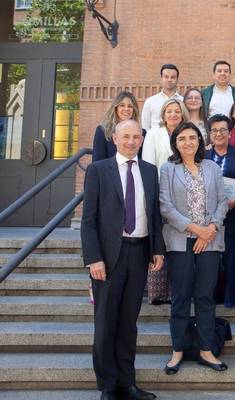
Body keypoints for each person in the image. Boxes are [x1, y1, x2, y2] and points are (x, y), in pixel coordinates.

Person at [82, 119, 165, 400]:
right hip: (107, 257)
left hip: (139, 253)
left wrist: (158, 249)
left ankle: (127, 383)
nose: (131, 141)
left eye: (135, 137)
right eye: (125, 136)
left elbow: (153, 215)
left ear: (141, 140)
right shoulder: (97, 170)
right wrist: (93, 259)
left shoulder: (150, 172)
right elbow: (89, 221)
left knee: (129, 322)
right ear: (115, 139)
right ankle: (107, 386)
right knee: (105, 323)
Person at [159, 122, 229, 375]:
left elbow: (222, 201)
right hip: (180, 241)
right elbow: (165, 206)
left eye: (192, 137)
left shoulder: (211, 168)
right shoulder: (167, 169)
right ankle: (177, 349)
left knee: (205, 296)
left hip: (210, 240)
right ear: (175, 143)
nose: (188, 142)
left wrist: (209, 229)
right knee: (180, 297)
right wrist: (195, 229)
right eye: (182, 139)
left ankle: (206, 348)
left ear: (200, 140)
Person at [142, 98, 188, 305]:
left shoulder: (189, 132)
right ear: (163, 115)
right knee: (160, 241)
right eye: (169, 111)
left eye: (177, 111)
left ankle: (178, 290)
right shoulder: (153, 134)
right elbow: (149, 165)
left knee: (179, 243)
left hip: (184, 196)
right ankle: (158, 292)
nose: (173, 115)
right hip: (160, 193)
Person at [205, 115, 235, 308]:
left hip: (233, 213)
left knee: (232, 257)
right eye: (214, 130)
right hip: (208, 217)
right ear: (209, 133)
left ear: (229, 132)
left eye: (223, 130)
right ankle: (211, 296)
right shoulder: (204, 156)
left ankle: (232, 296)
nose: (218, 134)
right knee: (211, 259)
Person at [93, 91, 143, 162]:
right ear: (116, 108)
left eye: (130, 106)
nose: (126, 109)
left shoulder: (141, 132)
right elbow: (97, 161)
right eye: (122, 105)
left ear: (134, 110)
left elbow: (141, 160)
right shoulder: (103, 131)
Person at [141, 64, 183, 131]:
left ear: (177, 80)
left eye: (173, 77)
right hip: (155, 140)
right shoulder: (150, 101)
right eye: (166, 77)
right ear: (161, 79)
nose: (169, 80)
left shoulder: (183, 101)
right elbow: (145, 127)